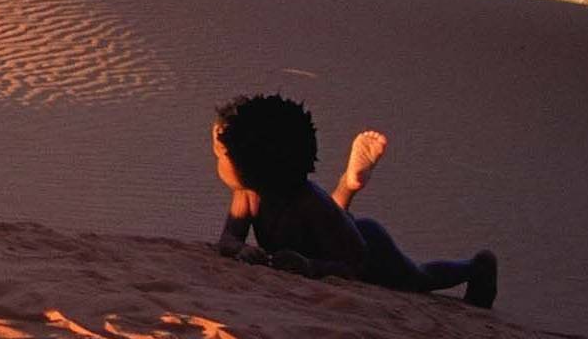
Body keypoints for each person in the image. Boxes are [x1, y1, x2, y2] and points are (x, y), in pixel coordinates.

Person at [210, 93, 497, 307]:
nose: (217, 161)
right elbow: (228, 238)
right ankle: (349, 183)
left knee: (417, 279)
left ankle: (476, 267)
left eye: (221, 155)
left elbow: (353, 264)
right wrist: (240, 249)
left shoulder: (309, 202)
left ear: (255, 164)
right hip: (326, 235)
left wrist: (311, 267)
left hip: (369, 247)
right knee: (327, 221)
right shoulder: (247, 195)